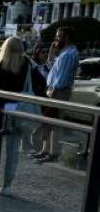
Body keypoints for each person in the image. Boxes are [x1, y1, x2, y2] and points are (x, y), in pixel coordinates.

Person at [0, 37, 45, 197]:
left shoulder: (1, 64)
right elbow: (41, 82)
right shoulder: (28, 64)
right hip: (20, 110)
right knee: (13, 149)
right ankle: (7, 185)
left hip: (2, 109)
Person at [33, 27, 79, 164]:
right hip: (55, 90)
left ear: (67, 38)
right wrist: (52, 53)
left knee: (55, 122)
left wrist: (52, 94)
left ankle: (53, 153)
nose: (56, 39)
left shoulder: (69, 54)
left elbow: (62, 78)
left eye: (59, 36)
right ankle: (46, 150)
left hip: (59, 91)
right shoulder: (65, 53)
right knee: (50, 121)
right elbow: (52, 68)